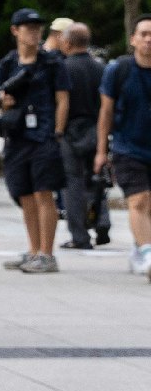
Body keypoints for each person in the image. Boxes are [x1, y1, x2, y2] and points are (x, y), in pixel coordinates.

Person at [0, 8, 70, 274]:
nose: (34, 33)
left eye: (37, 28)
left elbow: (62, 99)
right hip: (17, 137)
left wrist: (57, 132)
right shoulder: (8, 64)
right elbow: (0, 98)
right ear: (15, 31)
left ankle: (47, 254)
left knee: (44, 193)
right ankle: (34, 249)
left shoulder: (52, 63)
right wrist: (3, 104)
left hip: (44, 135)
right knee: (24, 194)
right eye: (28, 28)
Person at [97, 16, 151, 278]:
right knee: (139, 199)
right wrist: (100, 151)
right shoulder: (118, 70)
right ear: (133, 39)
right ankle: (147, 252)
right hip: (128, 148)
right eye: (143, 34)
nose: (148, 39)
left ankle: (139, 246)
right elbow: (105, 113)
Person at [59, 22, 111, 250]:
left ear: (68, 42)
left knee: (72, 183)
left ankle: (79, 235)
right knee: (97, 180)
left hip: (71, 131)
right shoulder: (102, 68)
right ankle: (102, 222)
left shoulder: (63, 68)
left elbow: (61, 102)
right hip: (96, 128)